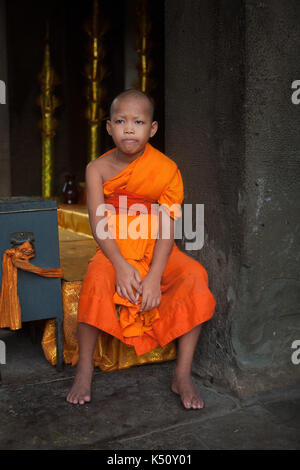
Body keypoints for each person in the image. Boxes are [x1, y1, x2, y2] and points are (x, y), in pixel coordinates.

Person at [66, 89, 216, 409]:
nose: (129, 128)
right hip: (114, 246)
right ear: (109, 128)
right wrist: (119, 263)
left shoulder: (166, 169)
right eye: (121, 121)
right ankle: (84, 370)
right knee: (96, 276)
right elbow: (98, 223)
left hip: (156, 245)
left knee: (194, 274)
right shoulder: (98, 168)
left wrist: (154, 275)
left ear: (153, 129)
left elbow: (168, 226)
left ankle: (183, 374)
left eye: (138, 121)